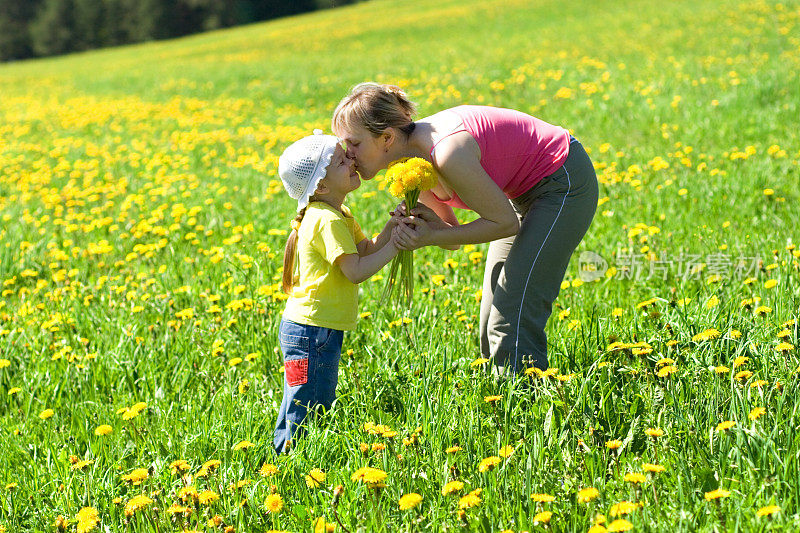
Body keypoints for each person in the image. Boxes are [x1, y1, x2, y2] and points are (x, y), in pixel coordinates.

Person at [332, 83, 599, 374]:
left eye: (353, 143)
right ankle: (501, 400)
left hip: (562, 182)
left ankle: (524, 407)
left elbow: (503, 224)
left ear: (386, 137)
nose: (348, 154)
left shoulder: (447, 153)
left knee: (512, 315)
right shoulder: (410, 167)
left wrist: (433, 235)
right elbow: (452, 238)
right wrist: (427, 228)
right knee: (490, 319)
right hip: (519, 197)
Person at [273, 130, 399, 453]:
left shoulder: (339, 214)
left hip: (313, 330)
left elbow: (366, 249)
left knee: (308, 397)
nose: (352, 162)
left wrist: (393, 228)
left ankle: (288, 455)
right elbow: (355, 271)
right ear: (322, 186)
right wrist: (396, 247)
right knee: (308, 404)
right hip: (311, 332)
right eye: (342, 162)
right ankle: (292, 462)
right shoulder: (326, 219)